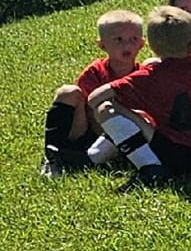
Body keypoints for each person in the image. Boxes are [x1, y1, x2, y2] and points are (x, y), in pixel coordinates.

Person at [89, 6, 191, 187]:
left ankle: (148, 166)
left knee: (106, 109)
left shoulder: (149, 76)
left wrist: (127, 111)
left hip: (168, 151)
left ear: (153, 47)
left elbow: (94, 98)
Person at [42, 11, 145, 175]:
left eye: (133, 39)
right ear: (102, 45)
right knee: (68, 92)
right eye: (118, 40)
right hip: (91, 133)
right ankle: (53, 154)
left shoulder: (144, 74)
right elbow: (89, 112)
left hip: (127, 134)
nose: (127, 45)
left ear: (142, 44)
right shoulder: (95, 73)